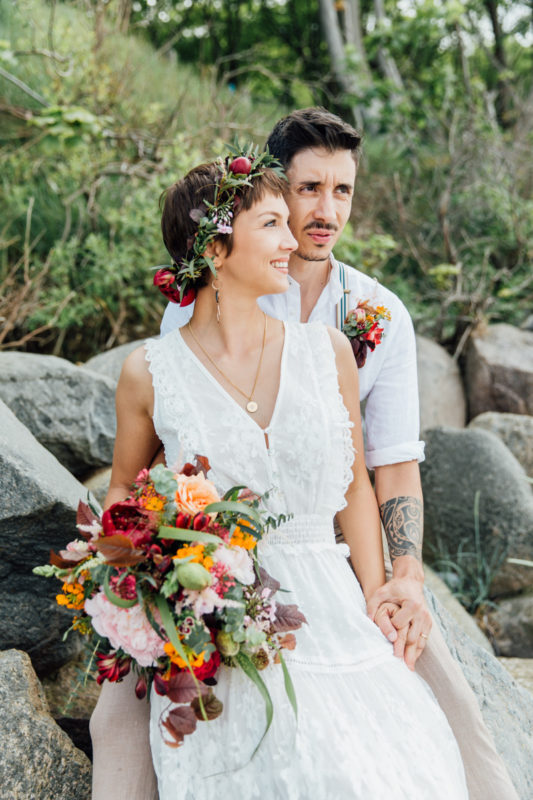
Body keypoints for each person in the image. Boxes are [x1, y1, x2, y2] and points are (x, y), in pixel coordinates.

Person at [90, 111, 517, 800]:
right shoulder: (176, 332)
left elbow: (387, 465)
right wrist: (153, 572)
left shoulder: (375, 317)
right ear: (268, 196)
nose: (323, 212)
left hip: (342, 558)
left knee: (445, 710)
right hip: (218, 572)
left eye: (341, 191)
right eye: (307, 190)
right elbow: (148, 469)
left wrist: (397, 582)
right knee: (119, 716)